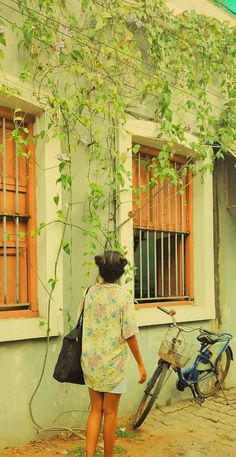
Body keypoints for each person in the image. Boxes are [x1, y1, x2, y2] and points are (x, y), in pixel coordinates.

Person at [81, 250, 147, 457]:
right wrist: (140, 364)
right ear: (120, 272)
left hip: (91, 362)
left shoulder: (89, 291)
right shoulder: (123, 297)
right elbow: (129, 334)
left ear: (101, 270)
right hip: (113, 365)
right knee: (109, 413)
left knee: (94, 410)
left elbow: (82, 322)